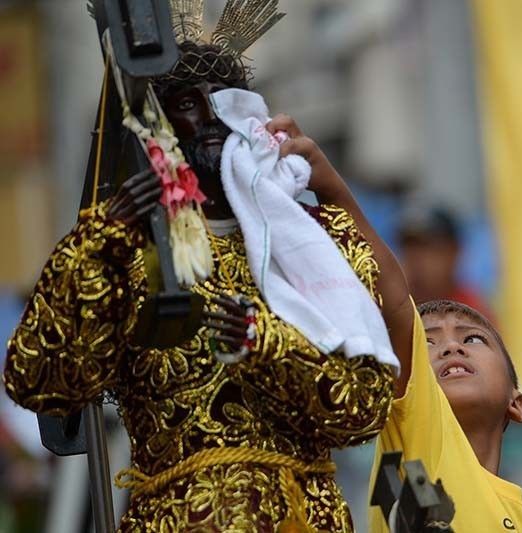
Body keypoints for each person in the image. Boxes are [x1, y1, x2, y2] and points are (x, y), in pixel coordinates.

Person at [3, 3, 403, 531]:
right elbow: (40, 382)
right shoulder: (123, 249)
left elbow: (366, 409)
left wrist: (265, 345)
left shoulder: (314, 240)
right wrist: (100, 244)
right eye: (190, 104)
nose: (214, 120)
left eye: (228, 103)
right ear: (157, 128)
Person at [368, 298, 522, 532]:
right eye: (425, 342)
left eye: (473, 339)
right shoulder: (414, 449)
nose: (451, 347)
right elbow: (397, 305)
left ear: (515, 404)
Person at [398, 205, 495, 321]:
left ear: (454, 252)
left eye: (431, 250)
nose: (418, 261)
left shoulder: (473, 313)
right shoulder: (393, 307)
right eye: (410, 250)